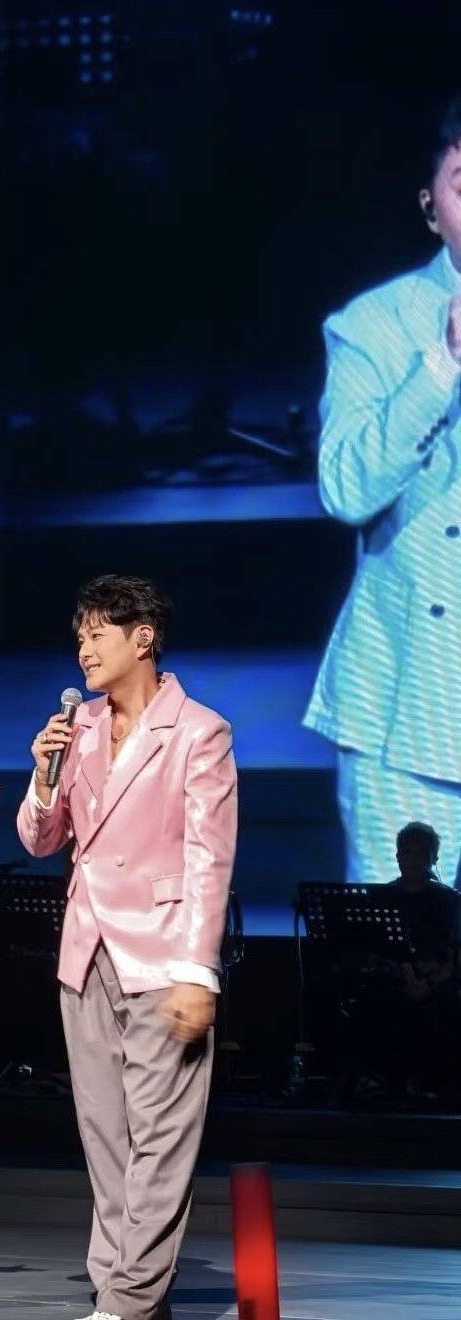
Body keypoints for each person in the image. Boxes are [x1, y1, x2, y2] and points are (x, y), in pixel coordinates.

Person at [17, 575, 236, 1320]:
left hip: (163, 954)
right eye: (78, 636)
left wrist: (198, 971)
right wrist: (42, 777)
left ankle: (127, 1302)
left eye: (97, 633)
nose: (84, 649)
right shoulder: (76, 727)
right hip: (86, 951)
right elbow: (41, 839)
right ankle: (122, 1288)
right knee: (105, 1137)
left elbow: (209, 858)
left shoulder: (199, 731)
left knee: (160, 1140)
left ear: (143, 637)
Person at [303, 94, 461, 887]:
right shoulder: (374, 326)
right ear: (432, 208)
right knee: (403, 947)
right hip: (408, 708)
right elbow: (345, 487)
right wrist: (442, 363)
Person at [347, 822, 461, 1101]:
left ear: (433, 859)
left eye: (420, 854)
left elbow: (454, 955)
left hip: (437, 983)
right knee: (372, 998)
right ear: (397, 856)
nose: (412, 860)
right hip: (390, 979)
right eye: (407, 853)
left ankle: (431, 1083)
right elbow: (367, 949)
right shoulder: (380, 897)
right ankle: (377, 1080)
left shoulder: (448, 900)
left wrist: (427, 984)